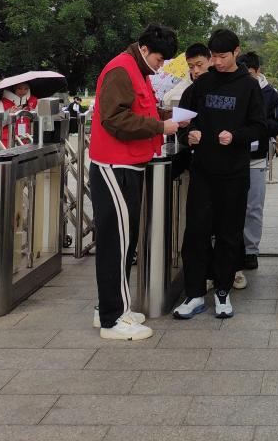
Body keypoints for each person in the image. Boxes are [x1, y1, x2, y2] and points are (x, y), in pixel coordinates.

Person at [89, 24, 186, 340]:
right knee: (116, 244)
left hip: (128, 163)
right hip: (114, 165)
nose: (160, 66)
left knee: (123, 241)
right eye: (159, 59)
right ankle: (112, 319)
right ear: (144, 50)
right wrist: (160, 127)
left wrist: (167, 117)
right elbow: (114, 119)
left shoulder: (138, 71)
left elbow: (140, 110)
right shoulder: (122, 69)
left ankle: (110, 307)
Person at [173, 29, 267, 321]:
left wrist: (236, 136)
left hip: (234, 173)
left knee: (229, 233)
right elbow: (182, 120)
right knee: (195, 233)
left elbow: (260, 126)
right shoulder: (202, 84)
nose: (217, 62)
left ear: (236, 52)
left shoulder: (249, 86)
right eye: (213, 56)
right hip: (202, 172)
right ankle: (194, 294)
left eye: (222, 57)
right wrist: (189, 134)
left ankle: (223, 291)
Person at [236, 51, 278, 277]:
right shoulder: (234, 88)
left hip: (256, 158)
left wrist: (259, 127)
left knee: (253, 207)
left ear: (257, 71)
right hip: (233, 156)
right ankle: (233, 248)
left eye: (249, 73)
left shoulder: (270, 95)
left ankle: (251, 250)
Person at [0, 82, 38, 147]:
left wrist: (33, 113)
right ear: (14, 88)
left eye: (26, 89)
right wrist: (8, 113)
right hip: (7, 140)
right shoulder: (2, 102)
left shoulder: (33, 101)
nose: (23, 91)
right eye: (19, 88)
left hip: (27, 138)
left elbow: (40, 119)